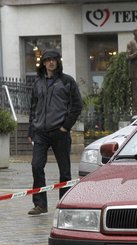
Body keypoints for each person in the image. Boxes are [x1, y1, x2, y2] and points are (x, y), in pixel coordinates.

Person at [27, 48, 83, 215]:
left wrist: (65, 126)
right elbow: (33, 108)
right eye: (48, 60)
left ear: (58, 62)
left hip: (60, 132)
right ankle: (40, 204)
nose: (51, 62)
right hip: (40, 133)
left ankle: (64, 204)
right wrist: (31, 130)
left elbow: (77, 106)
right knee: (36, 166)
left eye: (54, 59)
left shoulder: (67, 81)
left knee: (64, 170)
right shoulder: (37, 83)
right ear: (43, 63)